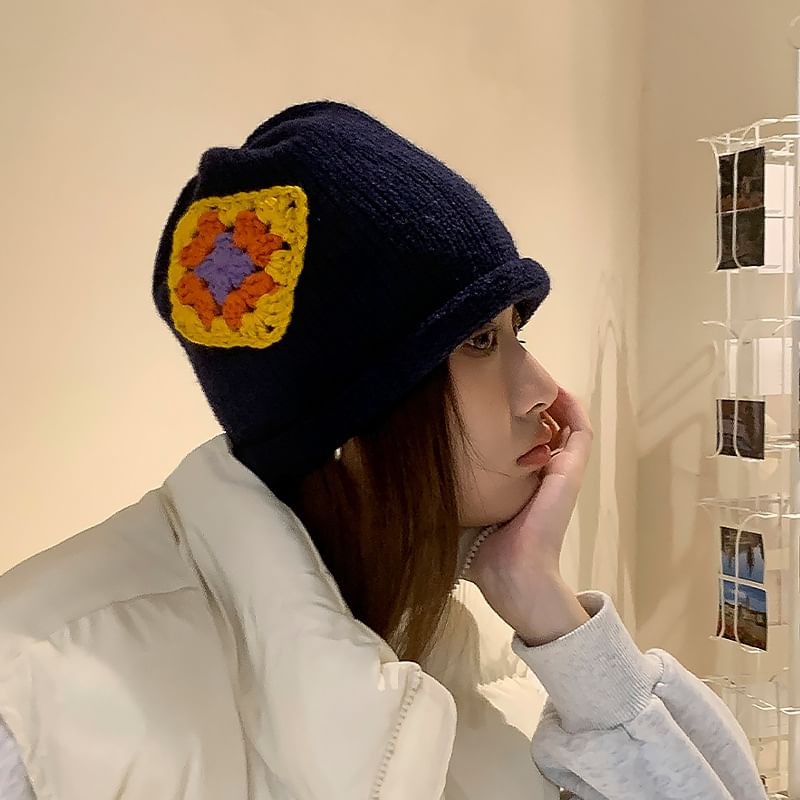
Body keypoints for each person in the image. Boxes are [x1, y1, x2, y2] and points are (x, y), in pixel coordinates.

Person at [0, 100, 767, 799]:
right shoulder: (34, 702)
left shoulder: (468, 654)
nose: (542, 390)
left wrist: (546, 605)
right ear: (354, 413)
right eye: (479, 340)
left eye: (516, 332)